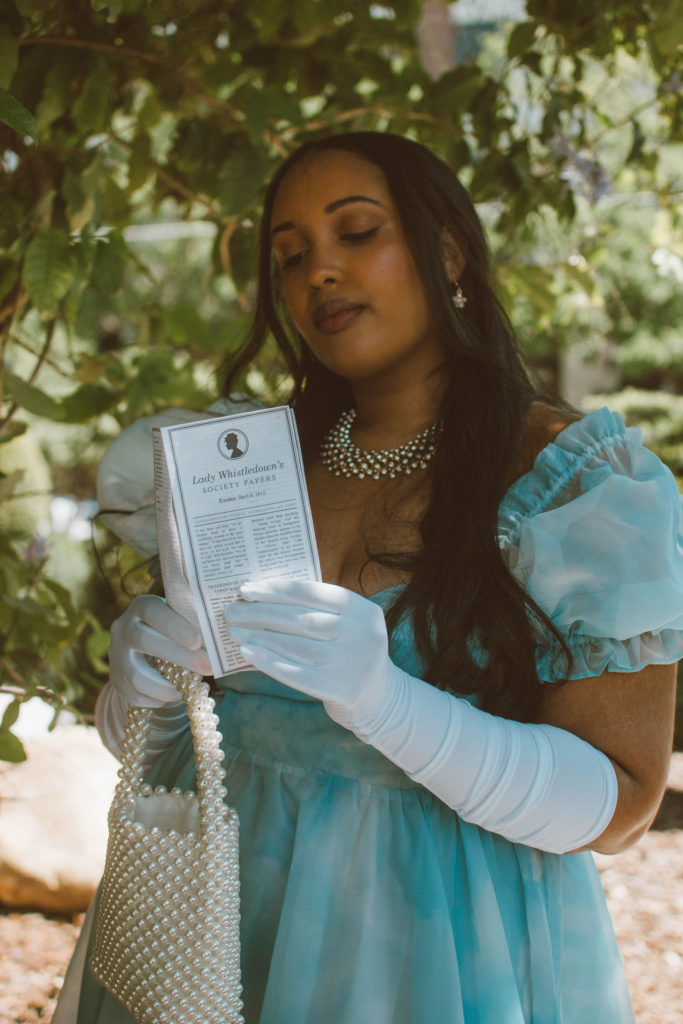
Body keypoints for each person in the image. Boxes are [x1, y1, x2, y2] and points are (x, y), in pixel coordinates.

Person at [58, 132, 680, 1023]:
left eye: (356, 233)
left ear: (448, 250)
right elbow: (180, 752)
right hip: (218, 929)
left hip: (435, 951)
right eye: (290, 256)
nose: (319, 272)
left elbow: (623, 808)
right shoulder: (250, 460)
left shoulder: (570, 483)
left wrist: (388, 703)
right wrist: (139, 691)